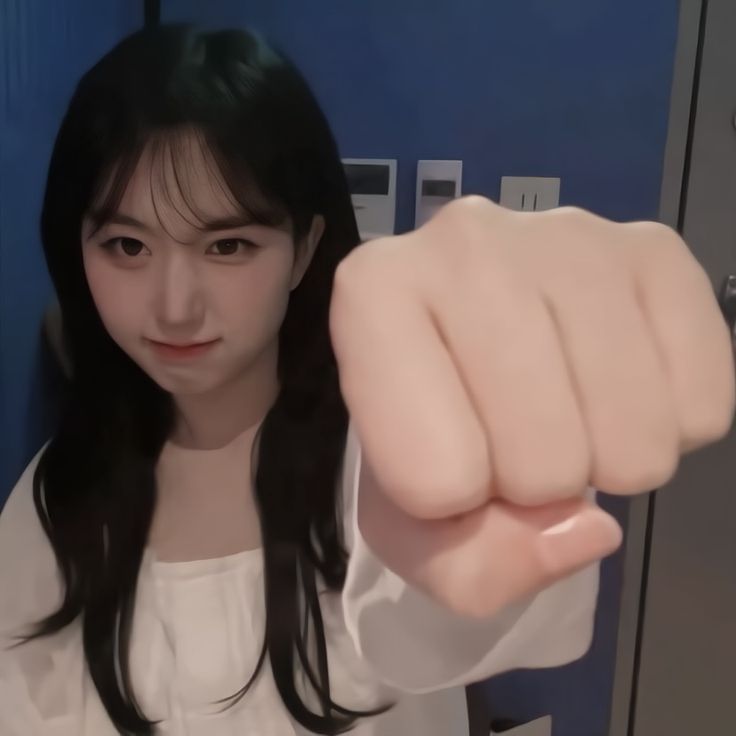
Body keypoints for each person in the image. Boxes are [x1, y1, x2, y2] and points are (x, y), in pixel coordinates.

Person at [0, 23, 732, 736]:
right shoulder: (57, 493)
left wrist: (521, 392)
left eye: (228, 246)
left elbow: (466, 601)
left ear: (303, 248)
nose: (174, 306)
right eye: (127, 245)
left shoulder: (384, 463)